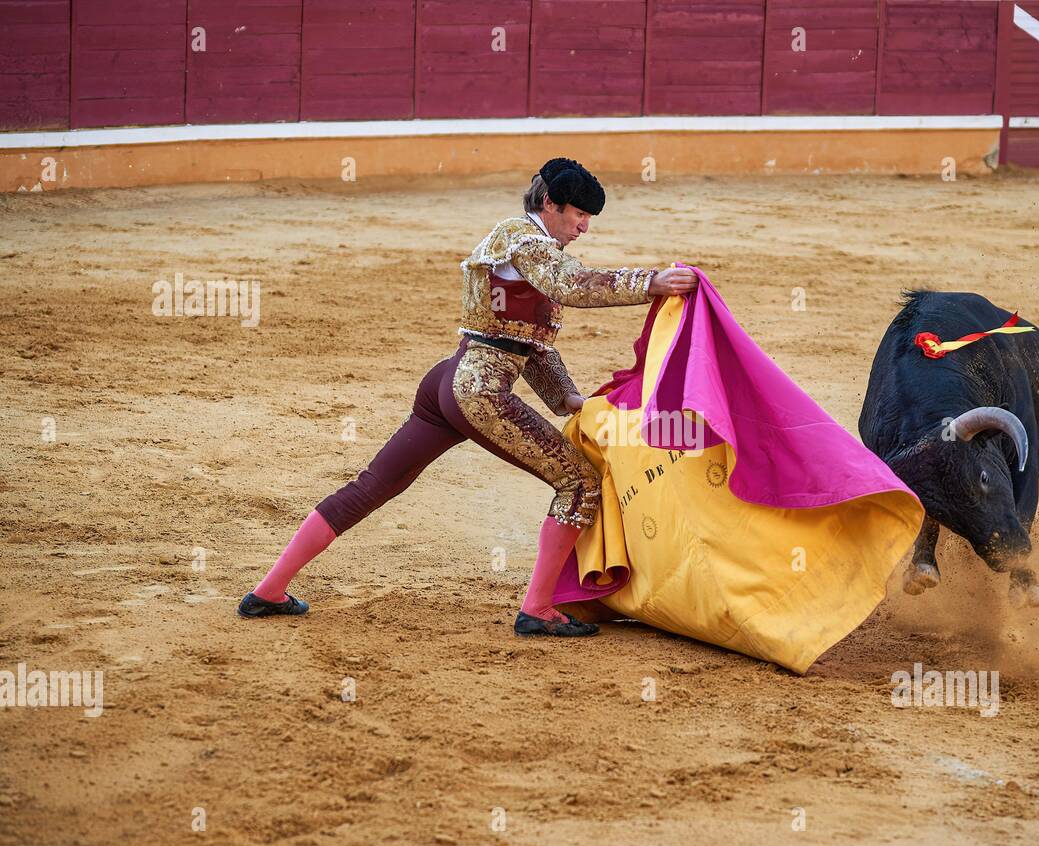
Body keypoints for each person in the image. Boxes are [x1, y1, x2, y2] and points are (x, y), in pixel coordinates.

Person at [237, 158, 697, 635]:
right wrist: (649, 283)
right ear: (549, 203)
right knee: (580, 482)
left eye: (588, 218)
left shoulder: (517, 243)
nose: (583, 226)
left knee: (374, 484)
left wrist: (569, 400)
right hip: (479, 392)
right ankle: (538, 609)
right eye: (578, 214)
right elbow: (570, 285)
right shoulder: (526, 241)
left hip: (449, 382)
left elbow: (527, 343)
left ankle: (269, 590)